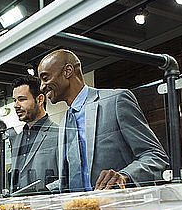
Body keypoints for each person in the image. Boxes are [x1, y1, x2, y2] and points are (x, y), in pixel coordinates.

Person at [38, 49, 168, 192]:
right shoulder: (64, 122)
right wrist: (42, 191)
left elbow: (155, 156)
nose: (42, 87)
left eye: (45, 78)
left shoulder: (116, 101)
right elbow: (75, 178)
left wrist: (124, 176)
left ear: (68, 71)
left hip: (119, 207)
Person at [9, 76, 59, 194]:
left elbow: (69, 177)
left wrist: (45, 190)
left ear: (40, 99)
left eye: (21, 99)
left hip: (47, 207)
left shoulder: (59, 134)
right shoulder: (17, 139)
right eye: (14, 100)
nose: (16, 105)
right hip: (19, 208)